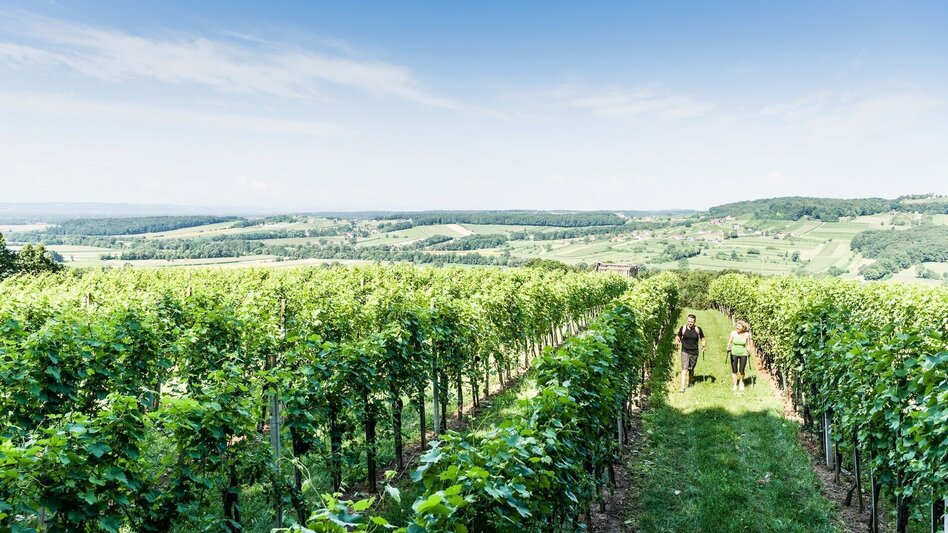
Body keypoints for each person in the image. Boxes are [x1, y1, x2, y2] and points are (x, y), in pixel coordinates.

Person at [675, 314, 706, 392]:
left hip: (694, 351)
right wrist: (677, 340)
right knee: (684, 369)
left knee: (691, 368)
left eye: (691, 322)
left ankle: (690, 381)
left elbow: (702, 338)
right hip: (685, 351)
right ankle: (682, 387)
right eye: (688, 321)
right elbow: (678, 336)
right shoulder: (683, 328)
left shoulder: (698, 329)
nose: (690, 323)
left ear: (695, 322)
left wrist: (703, 345)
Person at [727, 320, 755, 391]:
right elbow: (729, 342)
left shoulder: (746, 334)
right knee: (734, 370)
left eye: (739, 326)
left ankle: (741, 382)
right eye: (737, 326)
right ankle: (735, 384)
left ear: (743, 327)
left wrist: (748, 351)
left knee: (741, 370)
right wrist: (728, 347)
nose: (737, 327)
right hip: (734, 353)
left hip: (743, 353)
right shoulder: (733, 333)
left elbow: (748, 345)